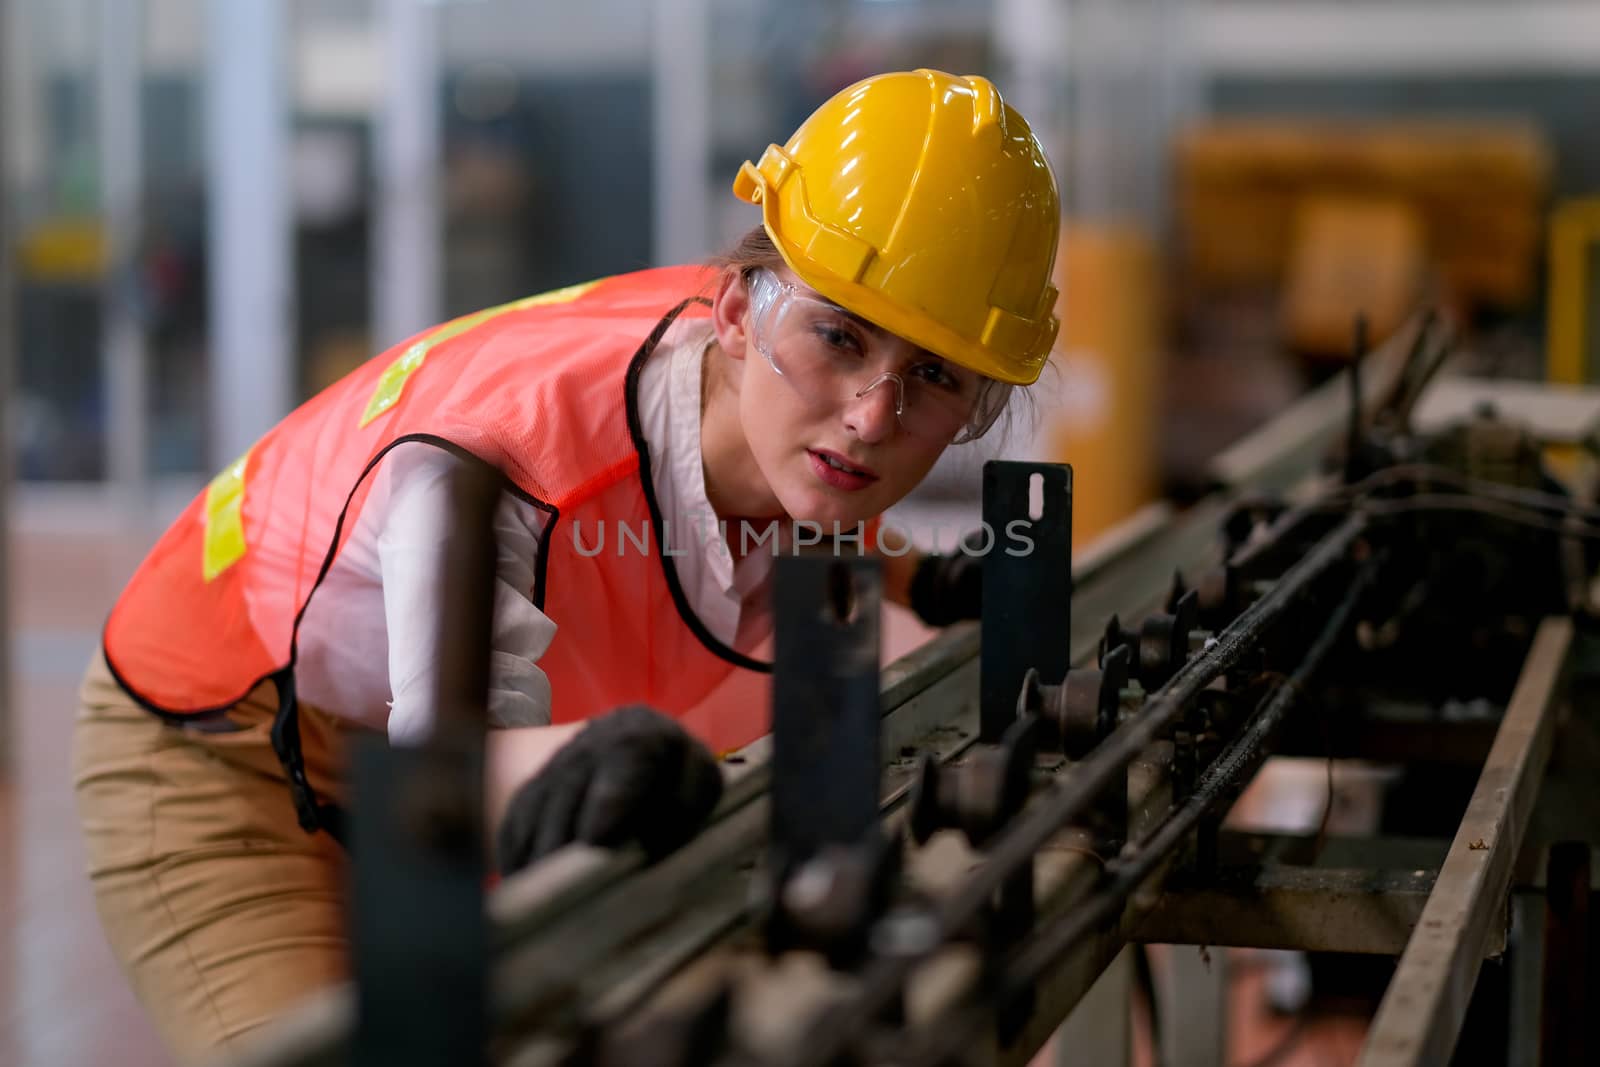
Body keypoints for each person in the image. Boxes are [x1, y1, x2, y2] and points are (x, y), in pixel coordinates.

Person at [72, 68, 1061, 1061]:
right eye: (839, 339)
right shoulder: (494, 472)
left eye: (934, 375)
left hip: (407, 737)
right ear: (732, 310)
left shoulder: (781, 396)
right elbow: (446, 768)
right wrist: (588, 753)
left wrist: (926, 578)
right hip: (226, 736)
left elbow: (816, 484)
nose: (870, 415)